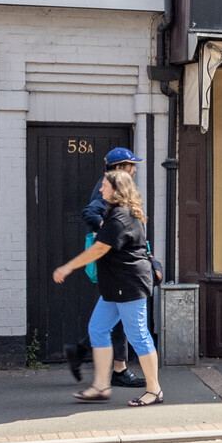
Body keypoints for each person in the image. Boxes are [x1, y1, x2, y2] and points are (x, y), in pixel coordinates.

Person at [52, 169, 161, 408]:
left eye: (104, 186)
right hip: (115, 285)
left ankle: (154, 390)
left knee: (138, 335)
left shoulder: (120, 216)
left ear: (117, 189)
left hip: (128, 284)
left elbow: (99, 249)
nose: (100, 189)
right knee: (98, 328)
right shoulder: (118, 213)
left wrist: (67, 267)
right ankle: (101, 386)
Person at [69, 149, 144, 390]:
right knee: (123, 320)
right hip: (116, 265)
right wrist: (110, 229)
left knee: (109, 318)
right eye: (131, 165)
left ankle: (82, 351)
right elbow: (90, 212)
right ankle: (123, 372)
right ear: (120, 167)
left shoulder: (117, 188)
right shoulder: (108, 188)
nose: (134, 169)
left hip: (119, 265)